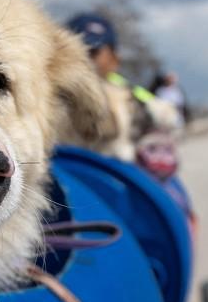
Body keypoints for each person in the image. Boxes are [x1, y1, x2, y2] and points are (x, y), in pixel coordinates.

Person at [66, 13, 181, 178]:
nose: (84, 57)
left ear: (114, 59)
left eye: (93, 51)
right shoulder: (50, 95)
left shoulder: (129, 93)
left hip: (118, 177)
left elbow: (169, 116)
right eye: (75, 50)